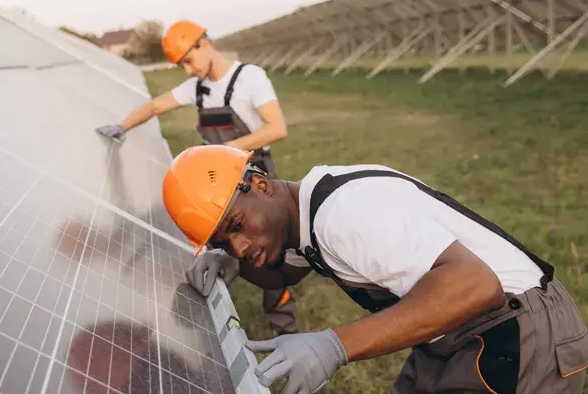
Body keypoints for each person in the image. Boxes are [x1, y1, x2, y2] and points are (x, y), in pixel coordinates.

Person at [161, 144, 588, 394]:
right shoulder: (305, 212)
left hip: (519, 332)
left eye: (236, 227)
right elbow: (286, 272)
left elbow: (476, 285)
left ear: (260, 184)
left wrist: (335, 345)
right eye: (222, 242)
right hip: (459, 329)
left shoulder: (342, 213)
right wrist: (235, 265)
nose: (238, 245)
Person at [94, 20, 300, 336]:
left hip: (251, 178)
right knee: (221, 250)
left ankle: (284, 326)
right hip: (213, 185)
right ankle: (217, 325)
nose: (188, 71)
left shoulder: (249, 78)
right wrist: (123, 126)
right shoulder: (198, 87)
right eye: (182, 65)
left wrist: (226, 149)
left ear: (203, 43)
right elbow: (155, 105)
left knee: (270, 253)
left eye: (188, 60)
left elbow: (276, 128)